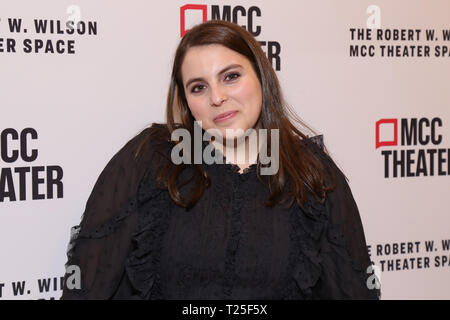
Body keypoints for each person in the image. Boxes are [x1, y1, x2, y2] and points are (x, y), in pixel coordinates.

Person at [61, 20, 380, 300]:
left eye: (230, 77)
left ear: (261, 76)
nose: (216, 98)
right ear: (186, 102)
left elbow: (353, 289)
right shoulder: (151, 159)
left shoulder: (310, 172)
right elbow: (88, 284)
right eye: (198, 87)